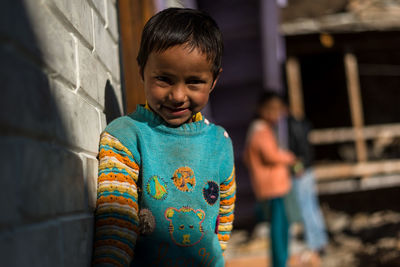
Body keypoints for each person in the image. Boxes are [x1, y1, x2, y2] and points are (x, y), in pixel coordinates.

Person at [92, 8, 236, 267]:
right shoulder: (126, 135)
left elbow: (222, 218)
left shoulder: (220, 142)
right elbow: (117, 222)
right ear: (141, 71)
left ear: (214, 81)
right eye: (164, 79)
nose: (178, 95)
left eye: (194, 82)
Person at [244, 91, 296, 267]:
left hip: (275, 187)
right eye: (272, 109)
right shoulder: (259, 130)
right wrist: (290, 157)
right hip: (271, 188)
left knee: (282, 226)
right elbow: (270, 156)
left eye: (278, 109)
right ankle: (280, 262)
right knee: (278, 227)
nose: (276, 114)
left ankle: (282, 260)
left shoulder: (263, 128)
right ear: (262, 110)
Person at [288, 112, 328, 265]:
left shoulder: (290, 125)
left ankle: (314, 245)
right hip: (306, 169)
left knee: (306, 207)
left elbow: (300, 151)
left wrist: (299, 167)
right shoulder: (300, 123)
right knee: (311, 206)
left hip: (302, 171)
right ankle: (320, 242)